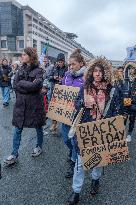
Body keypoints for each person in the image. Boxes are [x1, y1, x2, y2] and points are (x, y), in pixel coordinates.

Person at [66, 57, 121, 205]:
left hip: (102, 131)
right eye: (95, 71)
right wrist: (83, 103)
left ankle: (95, 180)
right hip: (85, 129)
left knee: (98, 160)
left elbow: (117, 111)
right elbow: (76, 105)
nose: (97, 74)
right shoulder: (84, 88)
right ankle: (76, 191)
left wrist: (114, 130)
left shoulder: (112, 90)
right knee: (80, 163)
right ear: (91, 73)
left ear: (105, 73)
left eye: (100, 71)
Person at [4, 47, 46, 165]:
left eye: (24, 54)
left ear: (30, 56)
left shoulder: (39, 70)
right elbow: (14, 84)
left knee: (38, 127)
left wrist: (23, 85)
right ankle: (14, 153)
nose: (22, 56)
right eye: (22, 55)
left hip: (34, 105)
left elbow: (36, 86)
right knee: (17, 129)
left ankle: (39, 146)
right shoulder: (20, 69)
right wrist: (26, 85)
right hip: (21, 105)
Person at [61, 49, 87, 178]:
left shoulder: (86, 77)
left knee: (75, 142)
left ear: (81, 63)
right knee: (66, 139)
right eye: (69, 64)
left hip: (78, 116)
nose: (71, 67)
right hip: (65, 114)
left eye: (73, 64)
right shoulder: (66, 75)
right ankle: (72, 153)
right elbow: (61, 91)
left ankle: (74, 163)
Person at [49, 53, 68, 132]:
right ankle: (54, 123)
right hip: (54, 90)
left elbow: (69, 79)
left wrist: (62, 80)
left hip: (63, 91)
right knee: (53, 108)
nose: (60, 63)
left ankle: (64, 126)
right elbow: (48, 77)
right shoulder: (54, 68)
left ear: (64, 61)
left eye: (61, 61)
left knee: (62, 108)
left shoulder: (67, 69)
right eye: (58, 61)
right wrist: (53, 77)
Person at [121, 62, 136, 142]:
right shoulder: (126, 79)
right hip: (126, 103)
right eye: (130, 69)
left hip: (134, 105)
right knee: (123, 120)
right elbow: (126, 68)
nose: (131, 70)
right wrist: (129, 64)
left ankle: (129, 134)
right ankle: (121, 134)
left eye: (133, 69)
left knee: (132, 120)